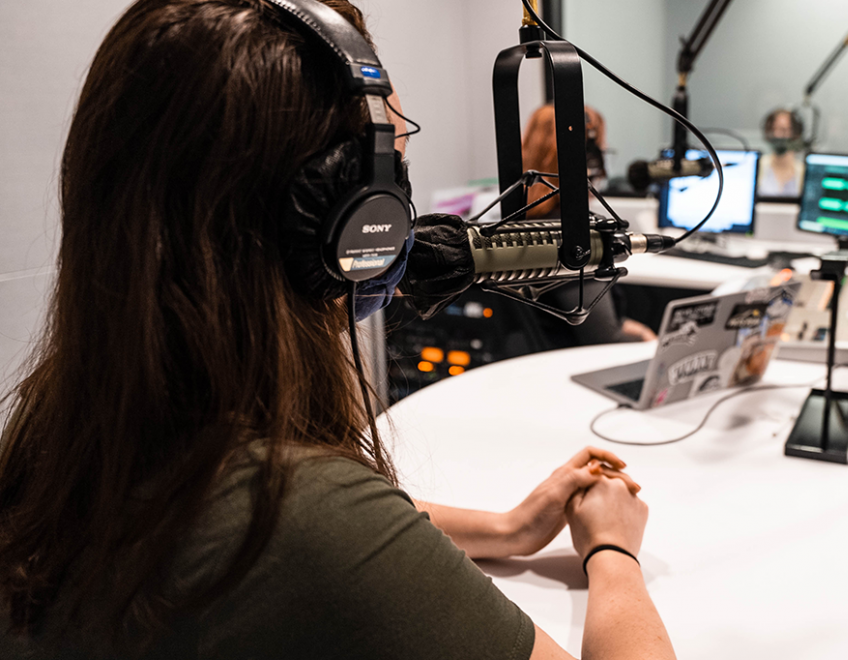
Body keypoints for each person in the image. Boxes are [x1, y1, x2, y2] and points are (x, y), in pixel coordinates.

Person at [0, 2, 676, 659]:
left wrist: (506, 528)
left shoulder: (49, 447)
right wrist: (612, 552)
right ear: (352, 223)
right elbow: (318, 532)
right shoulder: (305, 521)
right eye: (391, 176)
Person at [521, 104, 657, 346]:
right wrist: (651, 340)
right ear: (588, 160)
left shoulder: (521, 218)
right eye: (600, 153)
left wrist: (639, 329)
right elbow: (603, 337)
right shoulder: (571, 235)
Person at [757, 108, 806, 197]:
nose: (778, 134)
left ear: (796, 134)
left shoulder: (804, 172)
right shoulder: (758, 166)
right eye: (774, 129)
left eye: (784, 130)